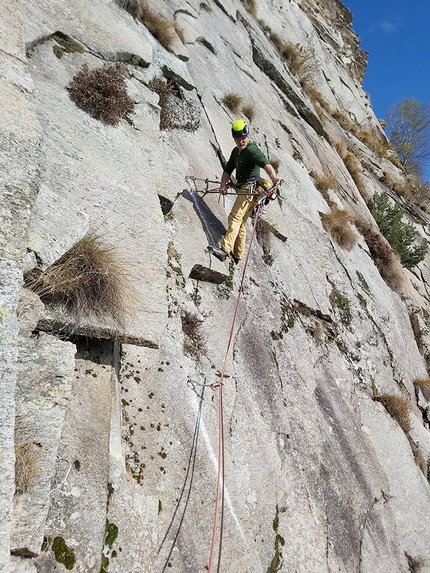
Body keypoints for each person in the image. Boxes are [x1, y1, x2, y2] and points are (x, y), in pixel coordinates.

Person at [210, 119, 279, 264]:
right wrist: (223, 184)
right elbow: (228, 170)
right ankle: (238, 254)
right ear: (234, 138)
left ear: (247, 135)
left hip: (250, 189)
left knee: (234, 217)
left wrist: (274, 179)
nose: (242, 140)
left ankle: (224, 250)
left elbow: (265, 163)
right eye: (238, 138)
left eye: (244, 137)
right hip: (247, 190)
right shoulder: (236, 152)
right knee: (240, 222)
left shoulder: (251, 150)